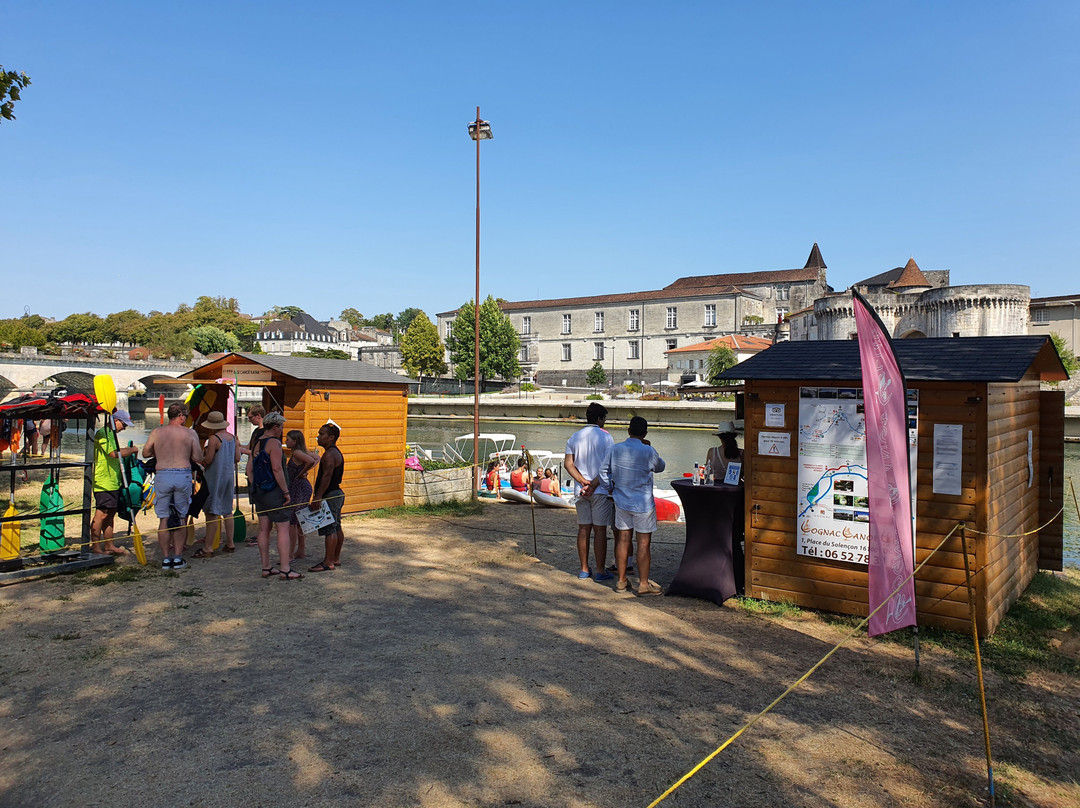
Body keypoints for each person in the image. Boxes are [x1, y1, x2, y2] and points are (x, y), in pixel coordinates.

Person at [599, 416, 666, 596]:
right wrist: (649, 446)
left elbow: (603, 471)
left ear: (628, 431)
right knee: (643, 543)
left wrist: (609, 487)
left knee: (623, 540)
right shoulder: (648, 451)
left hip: (621, 499)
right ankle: (643, 584)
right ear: (645, 433)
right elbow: (660, 467)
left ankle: (621, 581)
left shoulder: (616, 449)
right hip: (643, 502)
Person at [143, 402, 203, 570]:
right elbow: (198, 457)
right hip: (182, 474)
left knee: (164, 518)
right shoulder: (190, 433)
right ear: (181, 416)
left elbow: (145, 453)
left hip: (163, 474)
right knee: (181, 516)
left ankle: (165, 558)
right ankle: (177, 557)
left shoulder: (157, 432)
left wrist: (161, 451)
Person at [247, 411, 301, 580]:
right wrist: (285, 492)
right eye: (281, 426)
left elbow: (249, 469)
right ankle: (285, 568)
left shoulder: (257, 442)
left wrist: (256, 487)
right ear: (276, 426)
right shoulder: (274, 443)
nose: (282, 430)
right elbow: (277, 468)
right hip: (274, 492)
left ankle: (266, 567)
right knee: (282, 528)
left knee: (263, 529)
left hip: (259, 491)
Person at [564, 402, 615, 581]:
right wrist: (592, 484)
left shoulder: (574, 437)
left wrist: (582, 481)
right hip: (599, 489)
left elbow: (568, 464)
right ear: (600, 419)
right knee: (600, 530)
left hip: (581, 490)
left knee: (584, 528)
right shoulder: (606, 437)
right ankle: (600, 570)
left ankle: (584, 568)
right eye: (604, 419)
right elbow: (608, 465)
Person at [90, 410, 140, 556]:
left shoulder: (112, 434)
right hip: (103, 481)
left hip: (113, 481)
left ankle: (109, 545)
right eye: (123, 425)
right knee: (101, 513)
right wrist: (132, 450)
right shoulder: (103, 434)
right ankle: (96, 546)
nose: (124, 428)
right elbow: (113, 453)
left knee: (110, 513)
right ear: (115, 420)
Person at [194, 411, 240, 557]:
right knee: (227, 510)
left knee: (211, 511)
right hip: (228, 477)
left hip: (215, 478)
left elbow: (208, 460)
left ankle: (208, 547)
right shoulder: (233, 438)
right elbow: (237, 458)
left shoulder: (214, 439)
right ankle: (230, 543)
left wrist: (200, 459)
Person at [308, 423, 345, 572]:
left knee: (330, 528)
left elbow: (327, 476)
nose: (318, 436)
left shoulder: (330, 454)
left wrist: (318, 496)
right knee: (336, 526)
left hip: (331, 495)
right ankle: (335, 558)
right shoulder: (333, 452)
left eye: (321, 434)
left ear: (331, 437)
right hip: (336, 494)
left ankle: (328, 562)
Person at [285, 429, 319, 560]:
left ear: (295, 441)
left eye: (288, 439)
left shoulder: (297, 453)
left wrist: (302, 472)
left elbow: (311, 461)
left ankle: (290, 553)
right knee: (300, 519)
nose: (285, 441)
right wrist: (304, 470)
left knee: (293, 521)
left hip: (298, 488)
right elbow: (317, 458)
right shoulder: (301, 451)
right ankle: (301, 550)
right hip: (300, 487)